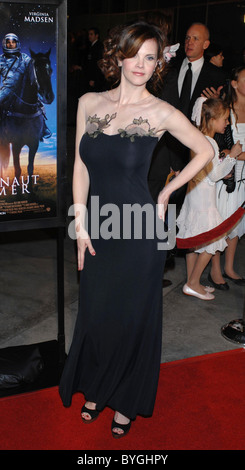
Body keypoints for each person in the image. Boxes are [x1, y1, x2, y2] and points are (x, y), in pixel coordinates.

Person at [59, 21, 214, 439]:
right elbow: (79, 166)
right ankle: (96, 386)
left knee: (133, 318)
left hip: (140, 230)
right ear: (119, 55)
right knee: (96, 313)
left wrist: (167, 194)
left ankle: (126, 399)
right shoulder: (90, 102)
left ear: (158, 63)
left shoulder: (160, 112)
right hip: (99, 228)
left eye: (151, 57)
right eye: (135, 54)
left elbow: (206, 149)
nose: (141, 64)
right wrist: (80, 223)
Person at [148, 23, 226, 216]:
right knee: (153, 200)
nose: (189, 42)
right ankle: (151, 240)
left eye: (195, 39)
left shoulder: (216, 76)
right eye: (187, 38)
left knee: (182, 208)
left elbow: (221, 116)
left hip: (194, 149)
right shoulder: (167, 68)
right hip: (163, 147)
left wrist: (216, 101)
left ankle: (174, 244)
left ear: (206, 44)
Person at [177, 97, 242, 300]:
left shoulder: (198, 138)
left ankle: (192, 281)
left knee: (193, 238)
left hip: (194, 195)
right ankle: (193, 282)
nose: (227, 123)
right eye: (224, 118)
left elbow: (208, 170)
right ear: (212, 119)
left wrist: (223, 167)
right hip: (204, 199)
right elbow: (214, 175)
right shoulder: (210, 143)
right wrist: (232, 155)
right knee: (213, 238)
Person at [210, 66, 245, 288]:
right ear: (234, 83)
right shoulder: (226, 111)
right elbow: (222, 150)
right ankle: (214, 270)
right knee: (221, 220)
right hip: (228, 176)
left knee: (238, 222)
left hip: (244, 176)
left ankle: (229, 267)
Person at [0, 33, 51, 139]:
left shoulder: (25, 58)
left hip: (22, 87)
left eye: (13, 43)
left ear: (17, 44)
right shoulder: (1, 60)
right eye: (8, 43)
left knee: (40, 105)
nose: (11, 45)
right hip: (7, 89)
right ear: (5, 44)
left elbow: (32, 71)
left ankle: (44, 128)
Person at [86, 27, 106, 92]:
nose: (89, 36)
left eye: (91, 34)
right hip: (91, 75)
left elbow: (98, 64)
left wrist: (93, 79)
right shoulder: (91, 45)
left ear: (96, 35)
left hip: (96, 77)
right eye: (88, 34)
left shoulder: (99, 46)